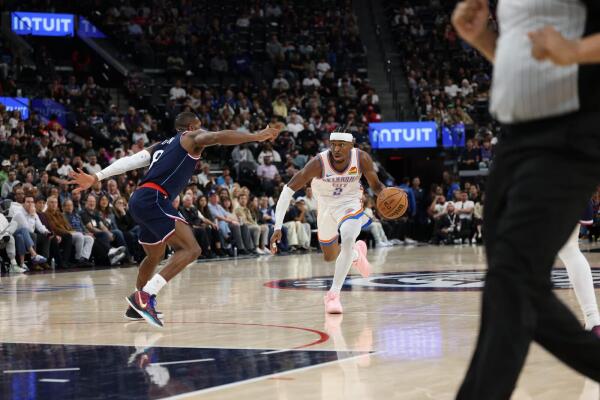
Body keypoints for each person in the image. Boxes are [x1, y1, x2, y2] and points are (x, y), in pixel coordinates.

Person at [452, 0, 600, 398]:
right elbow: (535, 60)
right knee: (509, 282)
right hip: (518, 133)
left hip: (571, 131)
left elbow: (564, 54)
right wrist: (482, 39)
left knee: (512, 277)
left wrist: (576, 50)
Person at [69, 112, 281, 328]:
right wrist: (256, 136)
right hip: (154, 198)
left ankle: (136, 306)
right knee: (191, 249)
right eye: (199, 126)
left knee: (155, 255)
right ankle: (145, 296)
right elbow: (218, 136)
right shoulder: (190, 137)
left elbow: (131, 161)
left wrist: (96, 177)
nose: (202, 130)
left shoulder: (161, 145)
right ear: (191, 127)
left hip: (139, 199)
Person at [270, 131, 387, 313]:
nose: (336, 149)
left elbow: (377, 186)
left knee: (348, 237)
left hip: (350, 203)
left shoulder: (361, 158)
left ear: (351, 145)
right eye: (333, 144)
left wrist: (388, 196)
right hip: (325, 207)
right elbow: (288, 190)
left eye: (341, 145)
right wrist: (278, 226)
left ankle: (333, 295)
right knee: (330, 256)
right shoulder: (319, 163)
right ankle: (356, 255)